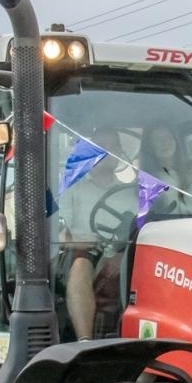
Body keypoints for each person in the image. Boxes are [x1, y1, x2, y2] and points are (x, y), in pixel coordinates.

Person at [55, 127, 133, 341]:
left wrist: (120, 255)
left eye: (112, 147)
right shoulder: (72, 188)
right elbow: (58, 231)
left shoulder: (131, 194)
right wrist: (77, 242)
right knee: (81, 264)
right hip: (81, 252)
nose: (107, 153)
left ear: (120, 153)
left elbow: (137, 232)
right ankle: (85, 341)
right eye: (100, 147)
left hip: (123, 254)